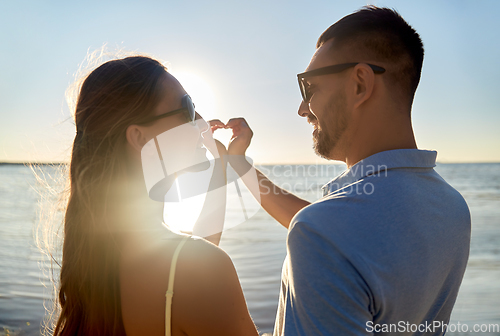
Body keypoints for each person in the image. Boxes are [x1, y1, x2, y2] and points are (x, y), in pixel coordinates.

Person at [217, 5, 471, 335]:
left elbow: (329, 235)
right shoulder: (451, 207)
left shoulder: (326, 232)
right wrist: (239, 165)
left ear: (360, 84)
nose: (302, 109)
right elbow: (339, 235)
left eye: (310, 87)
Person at [52, 56, 259, 336]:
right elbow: (194, 266)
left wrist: (221, 166)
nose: (201, 123)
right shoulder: (201, 270)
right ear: (139, 137)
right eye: (187, 109)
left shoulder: (94, 258)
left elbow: (189, 257)